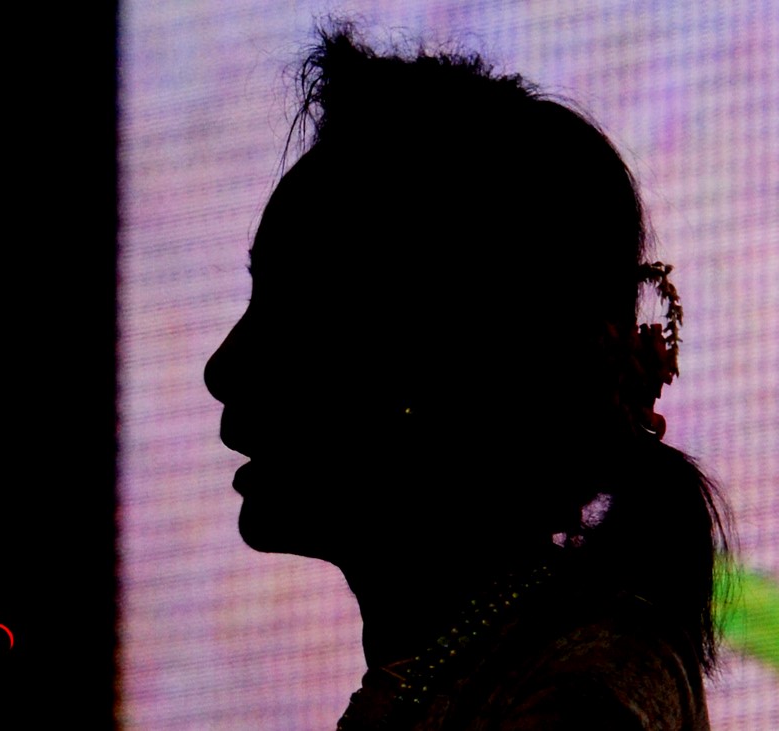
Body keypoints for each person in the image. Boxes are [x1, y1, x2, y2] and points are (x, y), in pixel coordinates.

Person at [204, 23, 732, 731]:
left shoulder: (583, 696)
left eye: (290, 312)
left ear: (434, 366)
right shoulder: (473, 668)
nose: (223, 367)